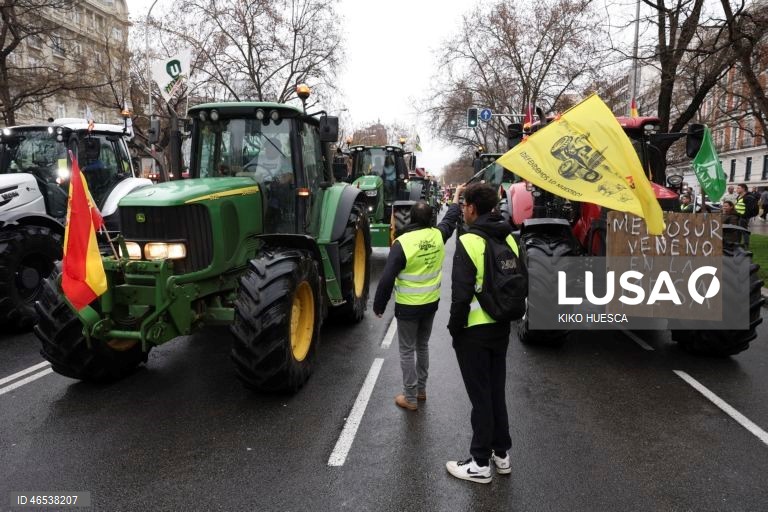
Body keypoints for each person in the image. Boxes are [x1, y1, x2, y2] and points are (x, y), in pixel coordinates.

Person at [445, 182, 520, 484]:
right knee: (495, 392)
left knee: (480, 399)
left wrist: (454, 329)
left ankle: (479, 463)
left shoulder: (468, 242)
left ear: (473, 208)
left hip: (473, 332)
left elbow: (460, 296)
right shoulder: (510, 239)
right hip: (501, 328)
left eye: (463, 205)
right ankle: (501, 455)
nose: (462, 210)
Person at [372, 188, 463, 411]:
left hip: (408, 308)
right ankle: (421, 390)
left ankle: (410, 397)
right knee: (422, 346)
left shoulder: (402, 243)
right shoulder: (438, 235)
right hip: (430, 305)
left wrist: (379, 305)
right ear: (431, 218)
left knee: (406, 350)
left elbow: (386, 279)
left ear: (411, 218)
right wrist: (456, 197)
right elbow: (451, 218)